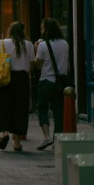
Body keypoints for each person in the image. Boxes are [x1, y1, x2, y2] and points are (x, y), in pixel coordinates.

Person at [0, 21, 34, 152]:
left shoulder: (2, 43)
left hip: (5, 78)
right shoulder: (28, 44)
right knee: (20, 109)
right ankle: (16, 142)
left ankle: (4, 133)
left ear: (10, 31)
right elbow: (32, 65)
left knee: (4, 106)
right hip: (22, 79)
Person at [33, 18, 69, 150]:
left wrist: (36, 49)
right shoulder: (65, 44)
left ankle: (46, 136)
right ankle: (57, 140)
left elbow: (38, 65)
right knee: (59, 111)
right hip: (61, 83)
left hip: (47, 80)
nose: (42, 31)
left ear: (47, 30)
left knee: (41, 108)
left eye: (43, 28)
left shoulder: (43, 45)